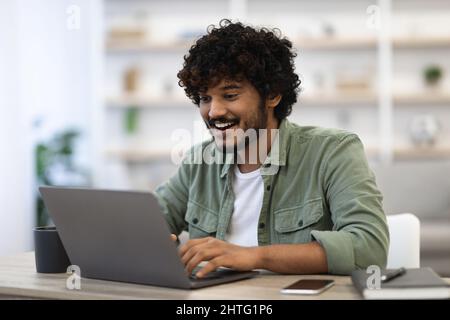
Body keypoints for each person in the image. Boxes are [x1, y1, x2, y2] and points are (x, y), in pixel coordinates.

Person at [154, 19, 389, 278]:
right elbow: (148, 221)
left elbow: (369, 249)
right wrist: (151, 241)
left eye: (230, 95)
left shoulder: (333, 152)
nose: (214, 111)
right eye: (205, 98)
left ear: (272, 95)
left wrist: (252, 256)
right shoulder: (198, 161)